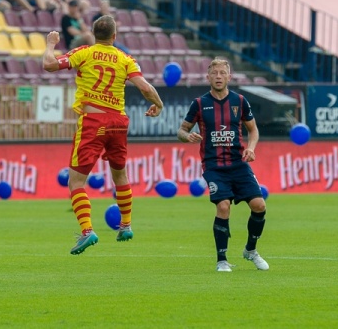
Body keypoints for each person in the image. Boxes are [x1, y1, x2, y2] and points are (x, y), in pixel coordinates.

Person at [42, 15, 164, 255]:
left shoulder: (84, 52)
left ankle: (87, 231)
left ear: (93, 33)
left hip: (93, 121)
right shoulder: (125, 58)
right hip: (118, 122)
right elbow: (145, 88)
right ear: (115, 36)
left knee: (76, 181)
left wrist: (50, 44)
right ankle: (126, 225)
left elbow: (49, 65)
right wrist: (158, 105)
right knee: (120, 174)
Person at [176, 57, 268, 273]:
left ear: (229, 76)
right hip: (214, 166)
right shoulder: (199, 103)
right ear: (208, 76)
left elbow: (253, 130)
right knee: (223, 206)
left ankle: (250, 250)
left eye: (222, 73)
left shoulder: (240, 101)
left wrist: (251, 148)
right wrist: (186, 136)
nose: (218, 76)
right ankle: (222, 260)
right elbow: (181, 130)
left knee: (259, 206)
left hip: (238, 163)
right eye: (214, 73)